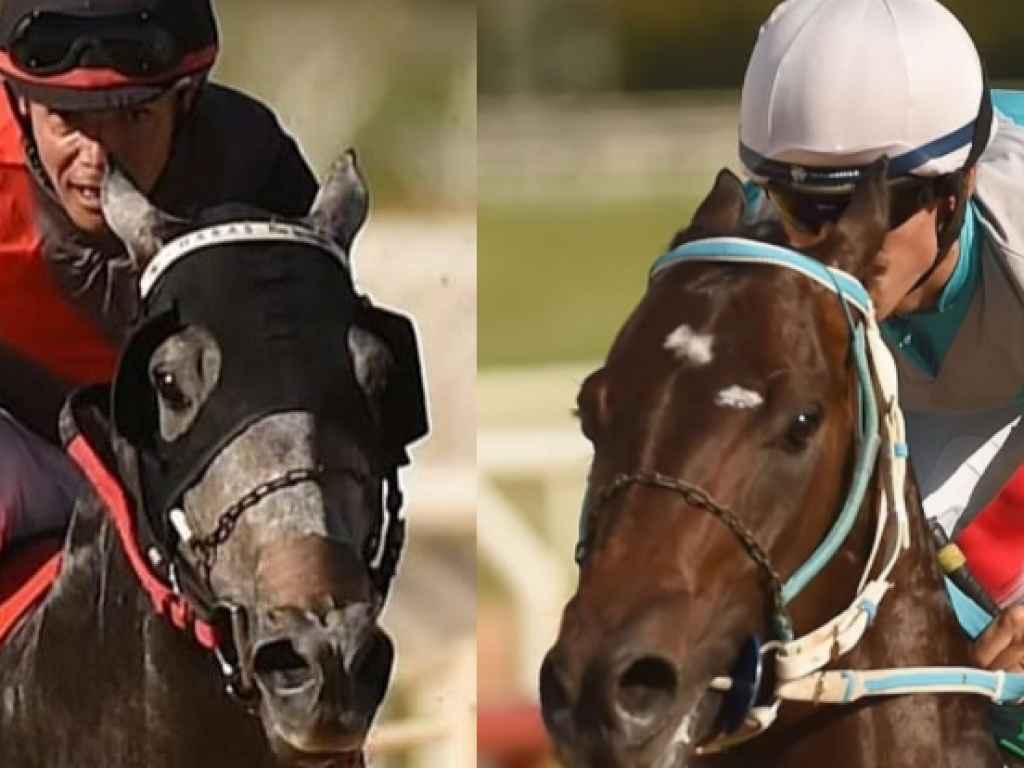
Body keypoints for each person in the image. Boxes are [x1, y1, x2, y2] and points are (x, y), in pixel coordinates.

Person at [737, 0, 1024, 754]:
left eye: (872, 206)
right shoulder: (749, 249)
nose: (839, 246)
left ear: (952, 190)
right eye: (807, 206)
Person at [0, 0, 319, 553]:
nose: (98, 156)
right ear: (21, 104)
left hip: (198, 489)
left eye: (134, 117)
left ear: (186, 100)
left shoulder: (256, 170)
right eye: (68, 120)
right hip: (36, 459)